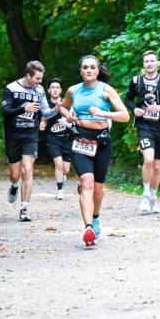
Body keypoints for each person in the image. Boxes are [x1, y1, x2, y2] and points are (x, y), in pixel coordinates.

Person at [59, 55, 130, 247]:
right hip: (81, 140)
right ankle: (88, 227)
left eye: (92, 67)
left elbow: (125, 116)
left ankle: (95, 217)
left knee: (98, 188)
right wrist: (69, 116)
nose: (89, 70)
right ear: (80, 71)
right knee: (86, 182)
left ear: (98, 71)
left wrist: (103, 113)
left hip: (102, 142)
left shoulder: (106, 90)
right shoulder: (73, 90)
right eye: (85, 67)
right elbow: (62, 107)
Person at [124, 49, 160, 214]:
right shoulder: (137, 80)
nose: (149, 64)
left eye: (152, 61)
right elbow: (127, 99)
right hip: (144, 126)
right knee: (148, 160)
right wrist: (134, 109)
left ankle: (153, 197)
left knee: (157, 167)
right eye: (146, 61)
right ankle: (145, 194)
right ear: (143, 64)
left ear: (157, 62)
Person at [2, 60, 55, 222]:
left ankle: (24, 209)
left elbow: (46, 113)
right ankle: (14, 186)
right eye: (37, 78)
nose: (40, 82)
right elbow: (5, 111)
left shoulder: (39, 90)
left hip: (30, 135)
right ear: (27, 75)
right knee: (15, 174)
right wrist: (23, 109)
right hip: (13, 136)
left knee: (28, 169)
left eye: (41, 78)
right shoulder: (11, 88)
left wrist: (57, 109)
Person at [40, 78, 73, 200]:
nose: (55, 90)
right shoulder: (46, 105)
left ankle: (63, 175)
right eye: (53, 88)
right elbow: (44, 118)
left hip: (67, 138)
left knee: (66, 169)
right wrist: (42, 124)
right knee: (58, 163)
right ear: (49, 90)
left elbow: (74, 116)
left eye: (57, 88)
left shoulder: (67, 103)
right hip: (53, 139)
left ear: (61, 90)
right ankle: (60, 190)